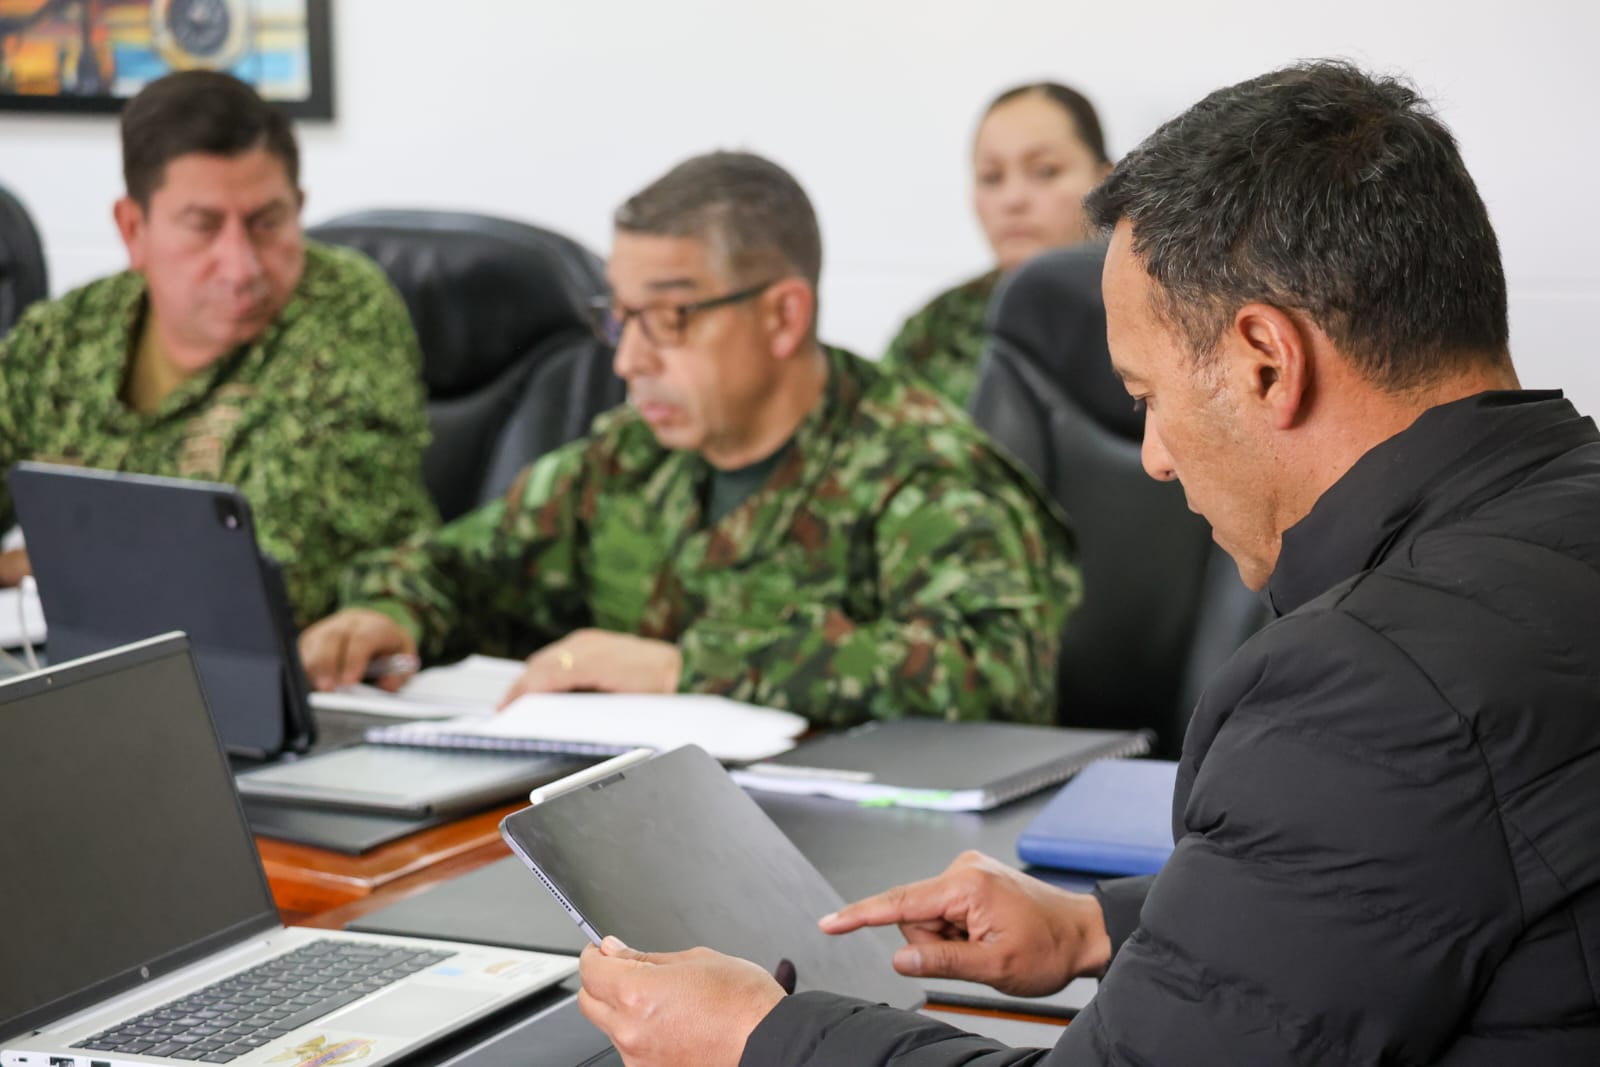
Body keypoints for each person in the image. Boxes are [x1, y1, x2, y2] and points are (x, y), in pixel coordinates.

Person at [573, 62, 1600, 1066]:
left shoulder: (1368, 681)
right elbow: (1434, 860)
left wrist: (762, 1036)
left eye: (1145, 395)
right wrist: (1097, 926)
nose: (1151, 457)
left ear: (1264, 361)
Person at [299, 151, 1079, 726]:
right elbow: (464, 566)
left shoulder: (921, 468)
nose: (630, 359)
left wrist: (684, 668)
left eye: (669, 318)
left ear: (782, 316)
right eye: (620, 316)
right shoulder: (631, 456)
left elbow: (994, 671)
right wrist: (390, 614)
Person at [0, 70, 436, 626]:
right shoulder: (64, 338)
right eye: (203, 226)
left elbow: (271, 573)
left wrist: (40, 560)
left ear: (298, 207)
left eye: (266, 222)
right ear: (134, 228)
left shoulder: (345, 309)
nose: (242, 266)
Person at [881, 82, 1113, 408]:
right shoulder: (937, 330)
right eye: (991, 177)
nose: (1012, 200)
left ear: (1105, 182)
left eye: (1045, 171)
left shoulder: (1164, 309)